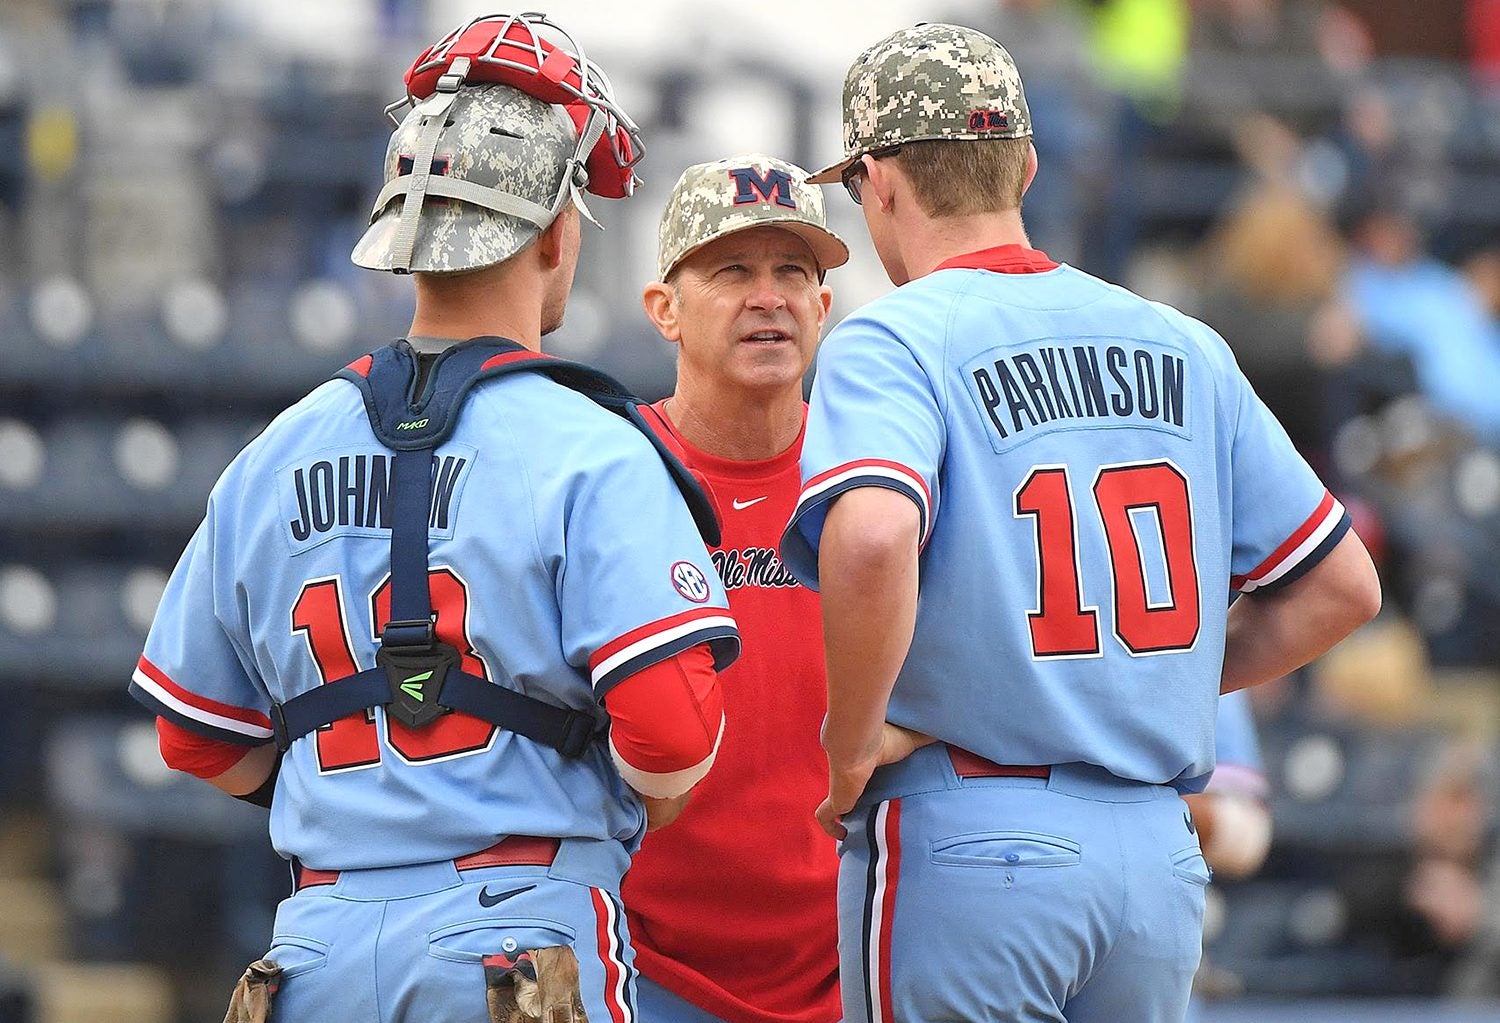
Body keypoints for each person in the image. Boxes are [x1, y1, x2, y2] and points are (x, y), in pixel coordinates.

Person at [129, 13, 739, 1022]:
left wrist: (366, 809)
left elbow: (195, 737)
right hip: (514, 940)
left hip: (313, 947)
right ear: (554, 234)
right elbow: (670, 738)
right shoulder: (591, 444)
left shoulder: (274, 451)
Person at [779, 22, 1382, 1023]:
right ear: (1024, 163)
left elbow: (876, 536)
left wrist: (849, 749)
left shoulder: (892, 334)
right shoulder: (1182, 341)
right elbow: (1343, 585)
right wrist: (1146, 676)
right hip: (1152, 851)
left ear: (878, 183)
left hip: (972, 830)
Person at [622, 154, 848, 1023]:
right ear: (664, 310)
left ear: (823, 307)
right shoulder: (606, 470)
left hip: (848, 957)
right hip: (648, 965)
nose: (770, 296)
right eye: (732, 270)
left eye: (794, 270)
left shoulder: (875, 474)